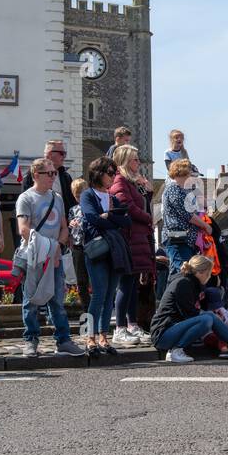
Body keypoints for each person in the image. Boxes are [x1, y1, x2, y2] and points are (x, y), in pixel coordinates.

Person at [16, 157, 85, 358]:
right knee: (30, 301)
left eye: (55, 173)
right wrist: (48, 248)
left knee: (57, 300)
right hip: (34, 256)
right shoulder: (26, 198)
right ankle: (31, 340)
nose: (53, 177)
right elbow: (23, 229)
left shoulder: (57, 197)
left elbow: (64, 227)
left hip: (54, 256)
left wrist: (59, 246)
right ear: (36, 175)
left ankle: (63, 340)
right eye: (50, 173)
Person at [150, 254, 228, 363]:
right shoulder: (183, 284)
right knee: (207, 319)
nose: (209, 277)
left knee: (208, 318)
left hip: (171, 330)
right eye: (208, 274)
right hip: (163, 334)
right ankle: (177, 351)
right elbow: (189, 313)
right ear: (200, 273)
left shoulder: (191, 283)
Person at [80, 157, 129, 356]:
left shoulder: (112, 198)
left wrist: (107, 217)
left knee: (110, 295)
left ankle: (103, 336)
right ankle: (89, 336)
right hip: (97, 249)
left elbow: (127, 221)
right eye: (109, 173)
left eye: (114, 173)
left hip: (114, 250)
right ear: (98, 173)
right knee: (98, 294)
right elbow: (90, 217)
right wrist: (112, 220)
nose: (112, 177)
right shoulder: (87, 195)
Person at [110, 144, 154, 347]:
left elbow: (142, 202)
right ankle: (120, 328)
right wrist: (147, 217)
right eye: (135, 159)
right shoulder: (119, 180)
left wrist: (147, 192)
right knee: (126, 285)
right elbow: (126, 206)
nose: (139, 162)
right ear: (126, 160)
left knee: (133, 285)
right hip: (128, 238)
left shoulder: (132, 182)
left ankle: (132, 324)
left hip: (137, 237)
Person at [161, 158, 208, 274]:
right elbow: (188, 214)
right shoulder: (173, 189)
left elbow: (202, 207)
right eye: (190, 173)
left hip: (186, 239)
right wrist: (206, 226)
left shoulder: (186, 190)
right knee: (182, 272)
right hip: (177, 238)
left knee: (179, 272)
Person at [21, 138, 77, 216]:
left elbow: (72, 202)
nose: (64, 156)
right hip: (40, 223)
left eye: (65, 153)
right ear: (50, 154)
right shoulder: (31, 176)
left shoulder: (66, 177)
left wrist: (72, 219)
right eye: (62, 153)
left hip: (63, 223)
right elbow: (26, 205)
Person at [68, 177, 91, 310]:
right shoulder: (73, 210)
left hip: (91, 245)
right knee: (81, 280)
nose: (78, 198)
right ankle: (85, 308)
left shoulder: (92, 207)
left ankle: (97, 307)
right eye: (76, 196)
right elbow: (70, 224)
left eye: (81, 195)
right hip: (78, 247)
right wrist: (70, 223)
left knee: (94, 279)